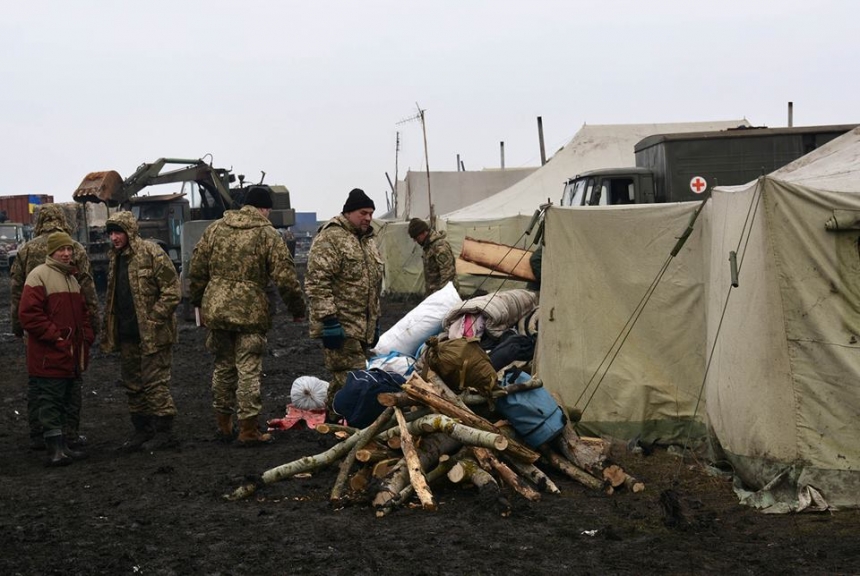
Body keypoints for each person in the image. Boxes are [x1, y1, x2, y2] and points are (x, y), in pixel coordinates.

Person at [188, 186, 306, 446]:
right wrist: (298, 309)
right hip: (250, 313)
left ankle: (223, 424)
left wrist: (199, 303)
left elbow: (196, 270)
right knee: (248, 370)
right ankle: (248, 430)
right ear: (264, 209)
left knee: (223, 368)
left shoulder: (216, 229)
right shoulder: (267, 234)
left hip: (216, 310)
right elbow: (286, 277)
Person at [10, 204, 100, 451]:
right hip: (65, 330)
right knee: (71, 379)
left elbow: (16, 291)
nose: (65, 252)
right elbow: (88, 291)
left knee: (38, 382)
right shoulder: (76, 248)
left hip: (36, 333)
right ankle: (68, 434)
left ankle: (40, 434)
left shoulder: (27, 249)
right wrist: (93, 329)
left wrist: (19, 328)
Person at [101, 211, 181, 451]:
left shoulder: (151, 253)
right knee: (133, 385)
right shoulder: (115, 259)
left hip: (154, 334)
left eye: (118, 232)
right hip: (127, 333)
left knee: (155, 383)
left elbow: (172, 290)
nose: (114, 238)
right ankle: (142, 430)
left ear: (129, 231)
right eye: (112, 233)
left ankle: (164, 432)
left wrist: (154, 318)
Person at [305, 188, 384, 418]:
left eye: (370, 213)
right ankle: (345, 426)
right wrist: (329, 321)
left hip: (362, 325)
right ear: (349, 212)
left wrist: (375, 321)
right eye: (363, 213)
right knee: (355, 377)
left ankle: (331, 419)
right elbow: (317, 281)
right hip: (340, 324)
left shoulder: (368, 240)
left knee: (345, 379)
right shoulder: (331, 237)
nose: (368, 218)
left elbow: (373, 284)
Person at [407, 217, 459, 297]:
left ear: (424, 232)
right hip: (435, 293)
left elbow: (447, 274)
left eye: (416, 237)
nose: (415, 241)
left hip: (444, 294)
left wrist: (442, 296)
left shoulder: (439, 247)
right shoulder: (428, 247)